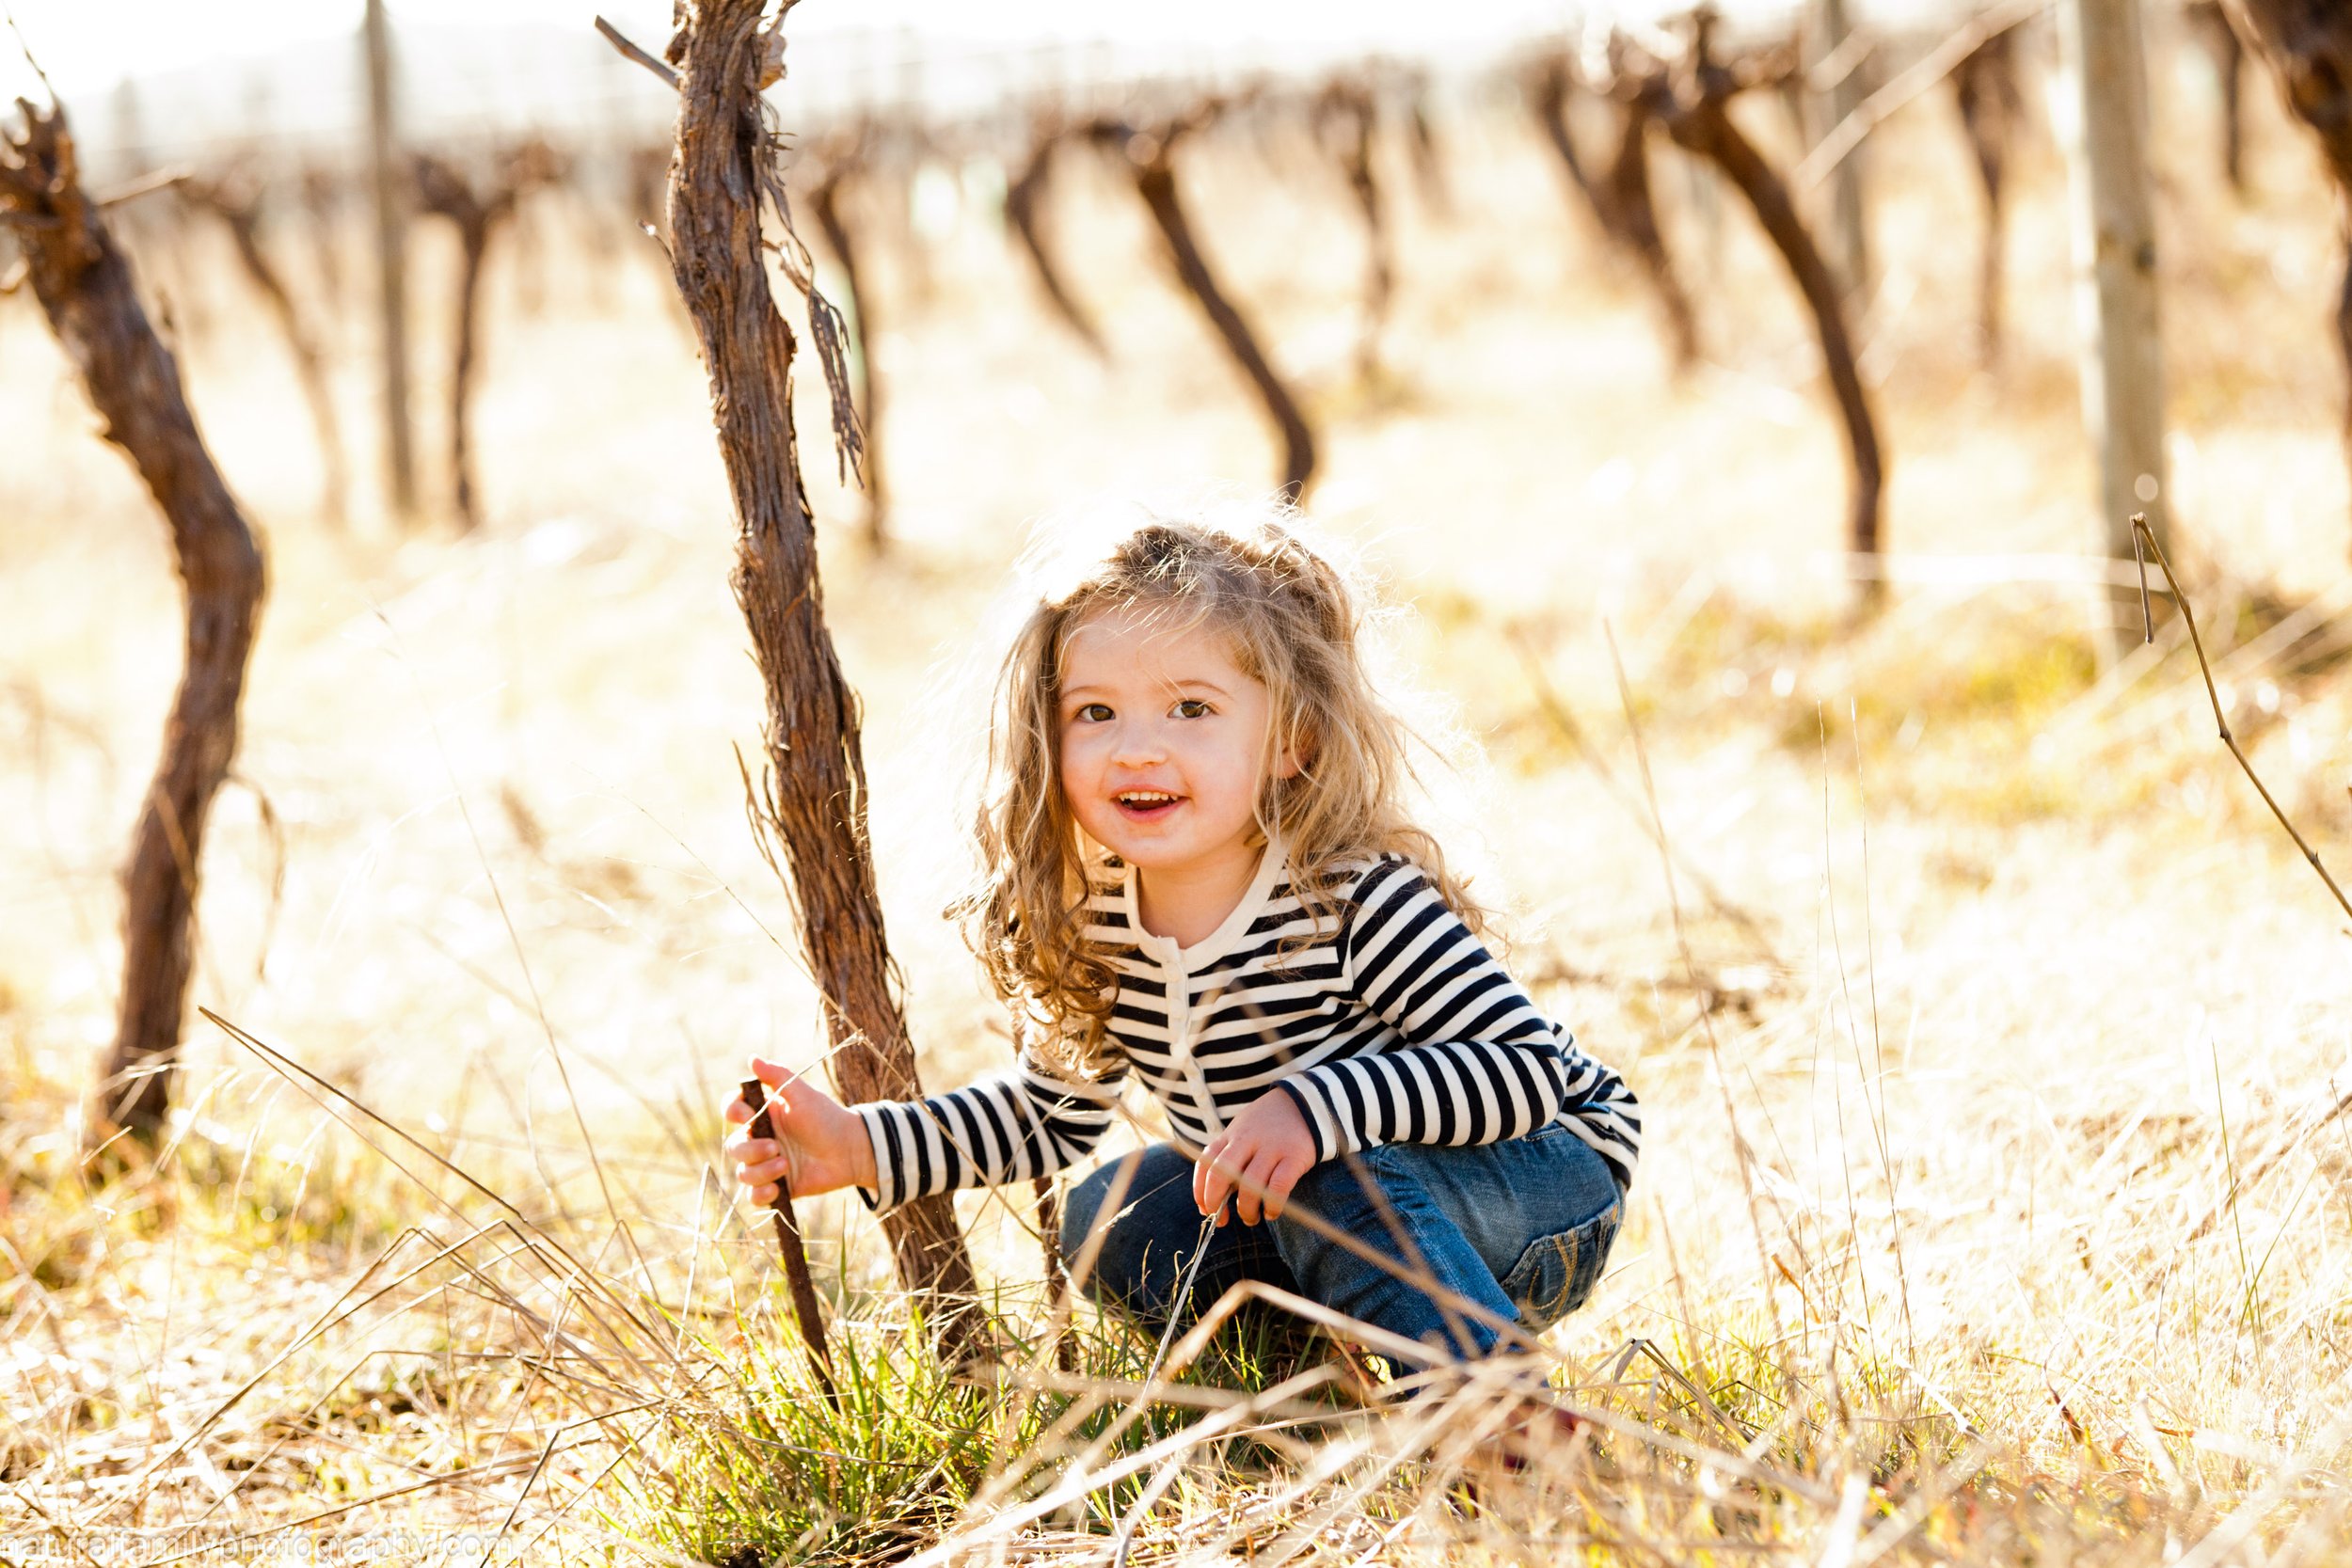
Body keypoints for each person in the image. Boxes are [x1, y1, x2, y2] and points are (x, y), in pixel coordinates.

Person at [723, 504, 1640, 1370]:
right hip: (1319, 1209)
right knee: (1109, 1214)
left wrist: (1316, 1105)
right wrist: (860, 1146)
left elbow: (1524, 1071)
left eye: (1190, 708)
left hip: (1542, 1187)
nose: (1136, 748)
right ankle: (1317, 1381)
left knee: (1329, 1171)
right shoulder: (1105, 921)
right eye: (1096, 712)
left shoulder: (1351, 900)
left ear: (1291, 737)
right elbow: (1050, 1115)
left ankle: (1483, 1406)